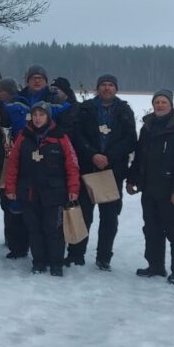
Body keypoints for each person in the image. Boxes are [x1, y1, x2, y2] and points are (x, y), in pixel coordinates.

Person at [127, 89, 174, 285]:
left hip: (172, 191)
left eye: (163, 102)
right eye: (157, 102)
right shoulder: (147, 127)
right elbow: (139, 156)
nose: (159, 105)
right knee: (151, 229)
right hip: (149, 188)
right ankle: (155, 265)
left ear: (171, 105)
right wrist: (132, 179)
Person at [66, 74, 137, 270]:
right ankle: (76, 253)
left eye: (111, 85)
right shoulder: (85, 108)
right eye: (103, 85)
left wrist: (109, 156)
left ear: (116, 89)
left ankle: (104, 257)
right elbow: (76, 135)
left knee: (109, 218)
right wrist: (92, 155)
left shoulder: (124, 110)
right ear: (97, 88)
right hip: (88, 169)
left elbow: (130, 139)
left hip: (112, 172)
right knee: (83, 215)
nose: (107, 88)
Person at [5, 102, 80, 276]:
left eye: (42, 114)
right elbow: (13, 164)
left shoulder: (60, 137)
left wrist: (73, 188)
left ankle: (56, 263)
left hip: (54, 192)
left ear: (48, 116)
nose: (38, 118)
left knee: (53, 229)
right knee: (34, 229)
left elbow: (72, 164)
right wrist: (10, 187)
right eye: (35, 115)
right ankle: (38, 262)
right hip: (29, 192)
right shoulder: (23, 136)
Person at [0, 77, 28, 258]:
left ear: (8, 92)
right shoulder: (22, 106)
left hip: (10, 160)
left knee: (10, 200)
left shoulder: (13, 108)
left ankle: (14, 240)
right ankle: (13, 238)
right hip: (11, 159)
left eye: (0, 91)